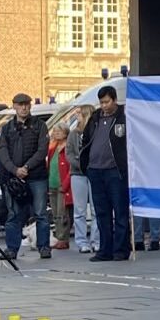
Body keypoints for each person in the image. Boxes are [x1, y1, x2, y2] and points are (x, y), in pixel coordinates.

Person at [0, 93, 51, 260]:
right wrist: (14, 170)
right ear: (14, 106)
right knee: (13, 214)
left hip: (36, 176)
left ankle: (44, 247)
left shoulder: (40, 126)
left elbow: (42, 150)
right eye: (20, 104)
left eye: (26, 104)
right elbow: (2, 151)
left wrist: (26, 167)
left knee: (40, 213)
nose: (24, 107)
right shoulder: (7, 128)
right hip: (14, 177)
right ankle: (12, 249)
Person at [80, 85, 130, 262]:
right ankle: (105, 250)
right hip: (96, 171)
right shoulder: (95, 118)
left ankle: (121, 250)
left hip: (115, 171)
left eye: (107, 102)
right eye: (101, 102)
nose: (104, 106)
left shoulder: (124, 117)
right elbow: (86, 139)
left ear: (115, 100)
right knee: (101, 213)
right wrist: (84, 163)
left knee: (120, 212)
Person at [64, 106, 96, 253]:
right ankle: (82, 241)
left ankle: (97, 240)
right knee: (80, 210)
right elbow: (69, 153)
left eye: (79, 115)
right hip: (77, 174)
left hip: (94, 172)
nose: (77, 118)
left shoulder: (95, 132)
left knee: (96, 210)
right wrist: (80, 164)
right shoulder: (73, 134)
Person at [47, 124, 72, 250]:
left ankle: (63, 238)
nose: (56, 133)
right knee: (55, 213)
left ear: (66, 133)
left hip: (63, 184)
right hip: (52, 183)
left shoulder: (68, 147)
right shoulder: (52, 147)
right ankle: (58, 236)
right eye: (55, 131)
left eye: (59, 131)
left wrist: (66, 184)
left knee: (63, 213)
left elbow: (71, 168)